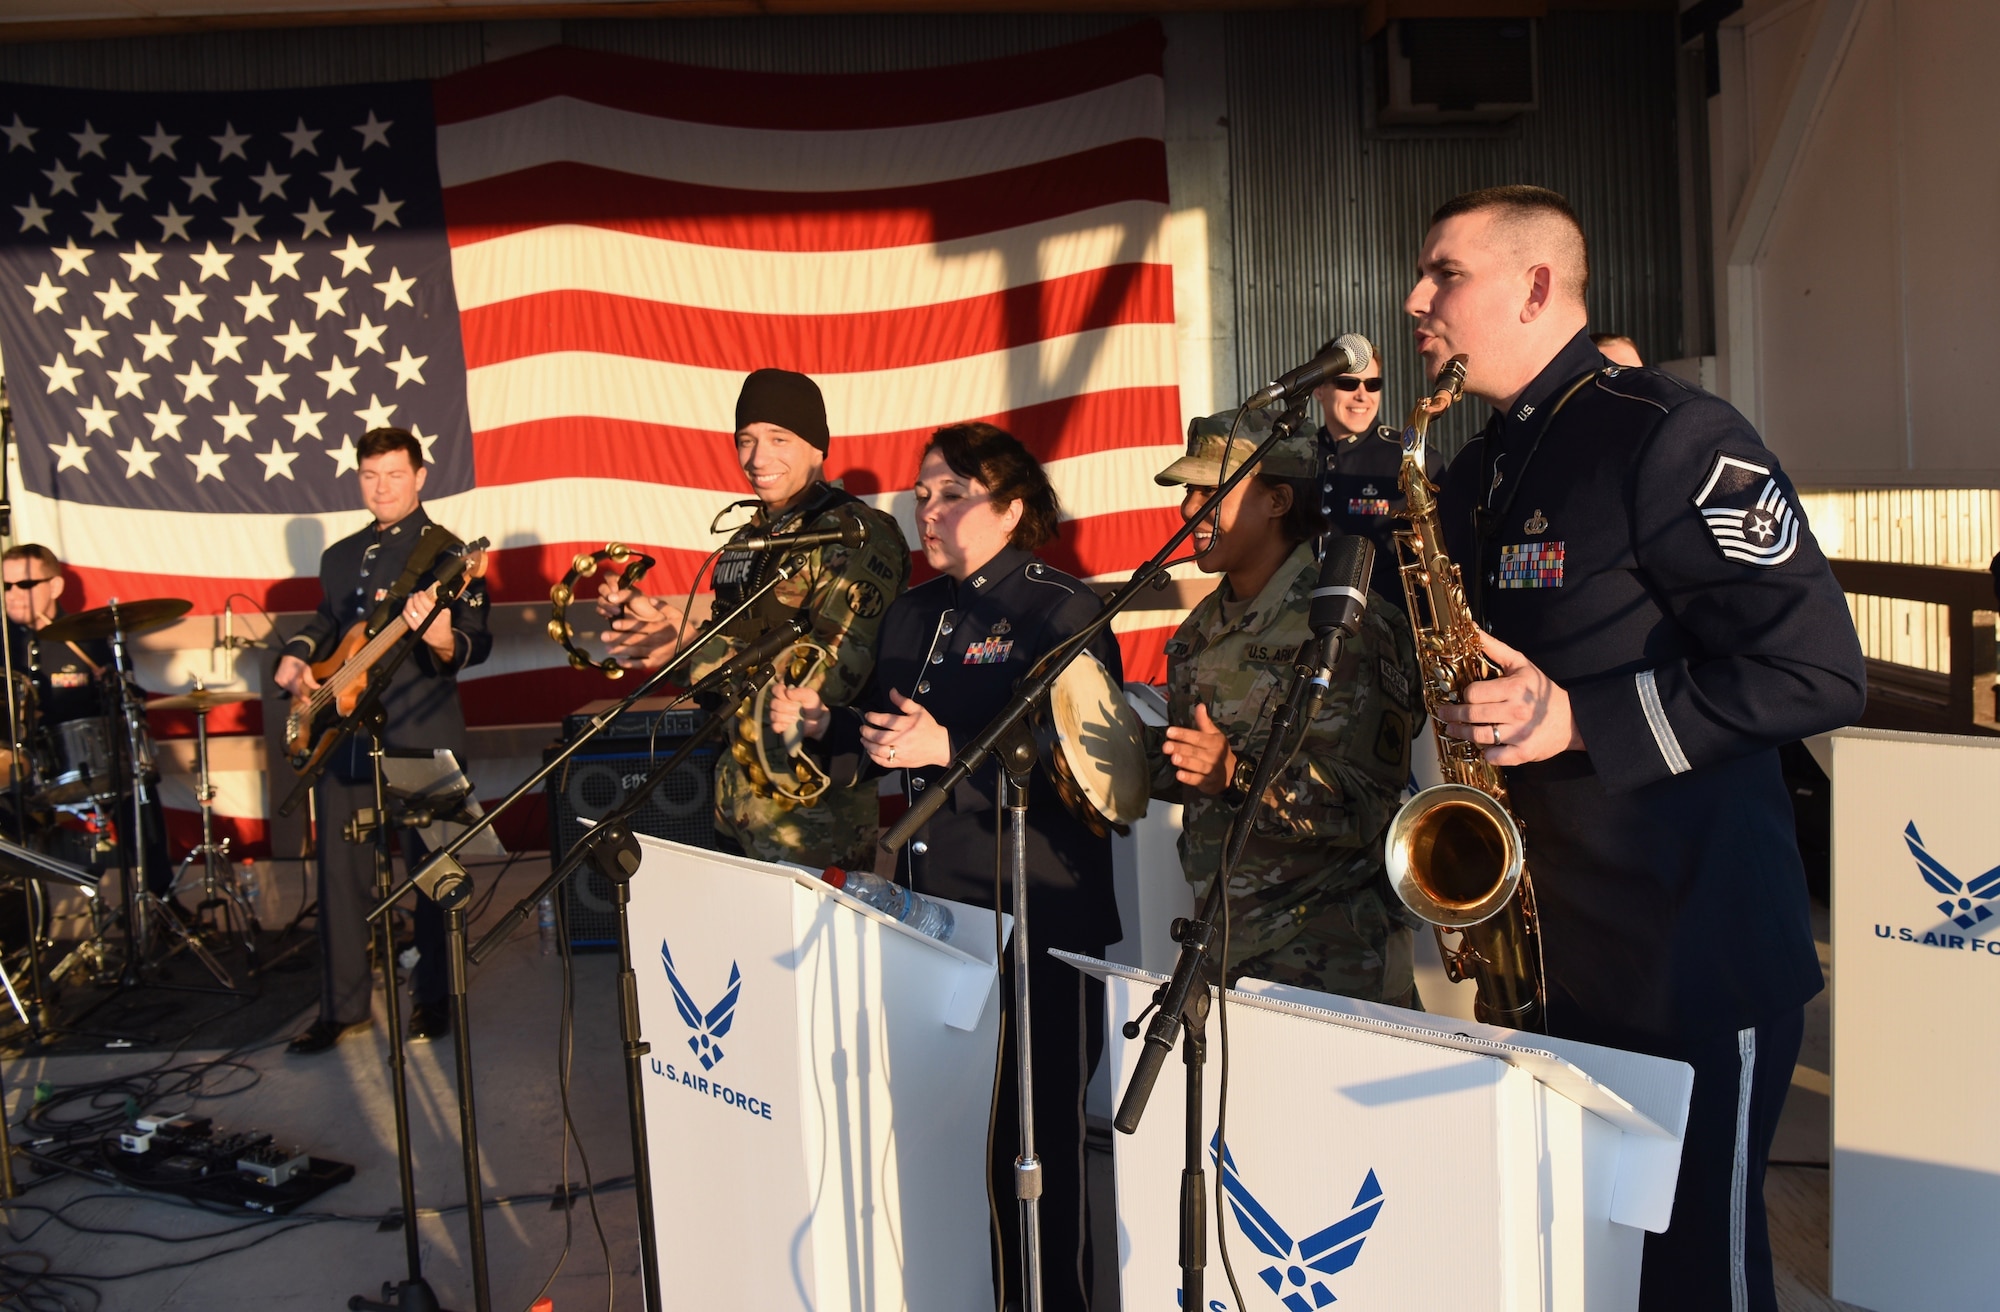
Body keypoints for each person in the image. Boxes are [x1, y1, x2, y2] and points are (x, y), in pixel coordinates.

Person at [1404, 185, 1865, 1309]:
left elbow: (1813, 669)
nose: (1415, 300)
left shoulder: (1669, 433)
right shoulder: (1474, 470)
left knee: (1692, 1279)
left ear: (1533, 285)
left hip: (1688, 951)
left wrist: (1577, 719)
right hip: (1549, 953)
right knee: (1588, 1269)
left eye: (1442, 274)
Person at [769, 423, 1120, 1312]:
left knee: (1030, 1150)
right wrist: (826, 728)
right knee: (949, 1135)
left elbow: (1094, 773)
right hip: (936, 921)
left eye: (953, 493)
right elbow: (888, 740)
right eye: (921, 494)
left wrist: (951, 746)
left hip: (1038, 918)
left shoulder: (1062, 610)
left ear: (1011, 507)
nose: (929, 510)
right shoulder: (916, 612)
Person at [1147, 409, 1424, 1003]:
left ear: (1276, 501)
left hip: (1331, 961)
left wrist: (1236, 775)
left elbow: (1367, 808)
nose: (1188, 507)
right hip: (1219, 945)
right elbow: (1196, 769)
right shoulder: (1198, 630)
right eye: (1187, 490)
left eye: (1209, 490)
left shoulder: (1349, 627)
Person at [596, 368, 909, 870]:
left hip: (809, 808)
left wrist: (688, 645)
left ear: (817, 446)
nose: (758, 459)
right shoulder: (751, 538)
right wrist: (657, 629)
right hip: (736, 794)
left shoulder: (854, 535)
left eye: (778, 439)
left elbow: (830, 672)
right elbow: (719, 668)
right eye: (746, 440)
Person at [273, 428, 492, 1055]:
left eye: (395, 474)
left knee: (434, 873)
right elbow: (326, 624)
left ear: (420, 476)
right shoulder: (341, 556)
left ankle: (435, 997)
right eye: (371, 476)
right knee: (340, 876)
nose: (382, 487)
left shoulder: (451, 554)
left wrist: (441, 637)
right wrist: (296, 658)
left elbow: (475, 640)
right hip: (342, 732)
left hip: (425, 730)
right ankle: (341, 1008)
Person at [2, 544, 173, 895]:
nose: (13, 595)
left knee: (138, 787)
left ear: (55, 586)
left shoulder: (89, 638)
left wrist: (113, 682)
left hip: (79, 760)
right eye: (6, 586)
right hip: (16, 769)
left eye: (25, 584)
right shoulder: (1, 641)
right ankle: (24, 914)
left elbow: (132, 700)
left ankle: (159, 902)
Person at [1310, 340, 1446, 603]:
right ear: (1319, 389)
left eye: (1372, 384)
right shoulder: (1295, 456)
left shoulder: (1412, 458)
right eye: (1348, 384)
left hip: (1384, 628)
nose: (1362, 395)